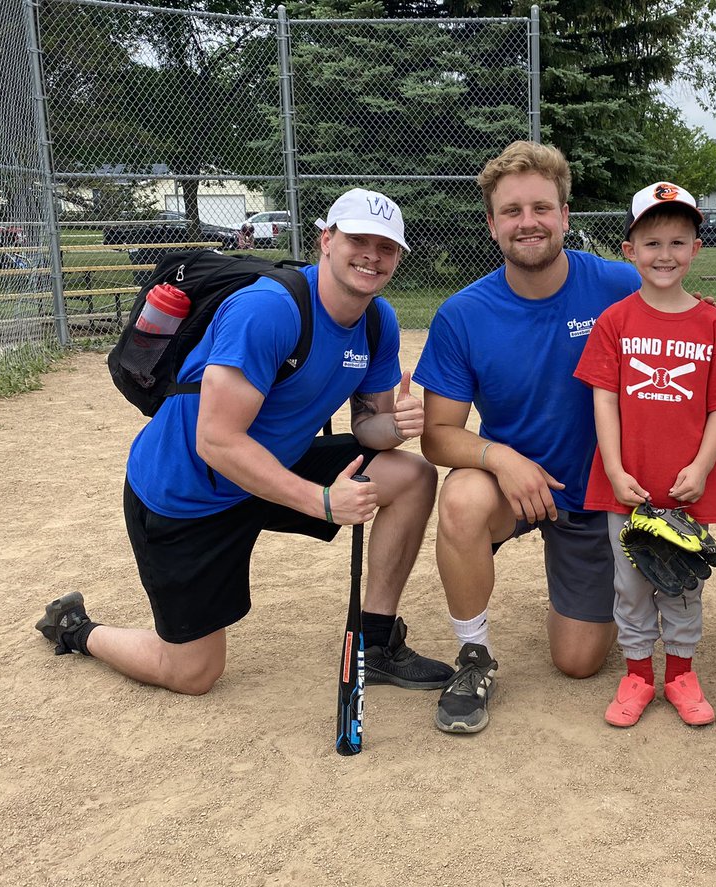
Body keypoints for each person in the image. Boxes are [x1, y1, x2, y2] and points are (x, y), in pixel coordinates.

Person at [35, 188, 453, 696]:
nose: (372, 254)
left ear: (398, 258)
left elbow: (369, 427)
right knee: (191, 674)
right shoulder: (268, 310)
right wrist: (322, 501)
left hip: (274, 466)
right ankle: (77, 629)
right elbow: (217, 442)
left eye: (386, 247)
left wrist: (397, 427)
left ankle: (376, 642)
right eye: (358, 239)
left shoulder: (376, 320)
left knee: (410, 475)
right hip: (188, 494)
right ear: (327, 240)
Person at [412, 141, 646, 735]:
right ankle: (473, 656)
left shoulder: (620, 288)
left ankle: (594, 588)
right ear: (492, 225)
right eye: (512, 211)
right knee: (462, 496)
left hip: (593, 495)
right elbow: (438, 437)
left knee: (578, 662)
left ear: (566, 216)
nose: (528, 223)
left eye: (542, 208)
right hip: (511, 488)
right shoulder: (464, 314)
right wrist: (501, 457)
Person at [573, 182, 716, 728]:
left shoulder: (712, 324)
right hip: (625, 484)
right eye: (651, 243)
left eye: (678, 242)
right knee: (629, 582)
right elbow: (604, 401)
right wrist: (613, 468)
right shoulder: (615, 322)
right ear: (629, 250)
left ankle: (679, 673)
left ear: (697, 248)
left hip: (683, 488)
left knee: (682, 579)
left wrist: (700, 467)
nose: (665, 255)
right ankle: (636, 674)